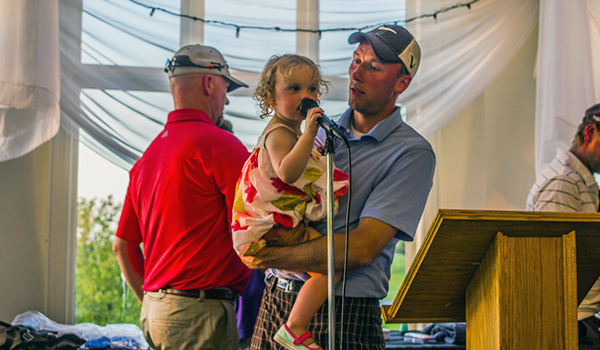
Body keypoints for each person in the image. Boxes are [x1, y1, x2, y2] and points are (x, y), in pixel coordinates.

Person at [242, 25, 436, 350]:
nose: (356, 73)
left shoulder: (411, 153)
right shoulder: (317, 131)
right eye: (356, 60)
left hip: (344, 311)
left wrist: (270, 256)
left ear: (401, 83)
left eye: (373, 67)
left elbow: (361, 248)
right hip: (275, 299)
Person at [113, 44, 251, 350]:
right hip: (200, 314)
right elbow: (255, 224)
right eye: (226, 88)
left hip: (155, 311)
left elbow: (122, 246)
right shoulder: (220, 145)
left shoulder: (147, 157)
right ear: (209, 83)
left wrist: (157, 300)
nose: (226, 100)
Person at [232, 54, 349, 350]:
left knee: (325, 267)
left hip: (275, 223)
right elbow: (287, 172)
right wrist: (309, 134)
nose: (305, 96)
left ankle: (296, 325)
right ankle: (295, 326)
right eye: (294, 89)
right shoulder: (279, 134)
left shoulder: (291, 132)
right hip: (269, 225)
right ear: (270, 98)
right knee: (330, 267)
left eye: (312, 89)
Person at [526, 103, 600, 350]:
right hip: (571, 325)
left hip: (582, 320)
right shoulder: (563, 183)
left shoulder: (580, 181)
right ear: (590, 133)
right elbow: (552, 266)